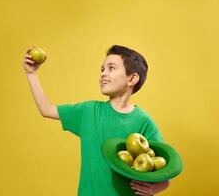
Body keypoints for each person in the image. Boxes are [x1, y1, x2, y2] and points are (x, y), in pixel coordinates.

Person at [23, 45, 170, 195]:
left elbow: (165, 171)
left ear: (132, 78)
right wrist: (31, 74)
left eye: (111, 68)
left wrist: (157, 187)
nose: (103, 74)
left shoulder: (143, 121)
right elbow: (46, 109)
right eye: (102, 69)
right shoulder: (88, 111)